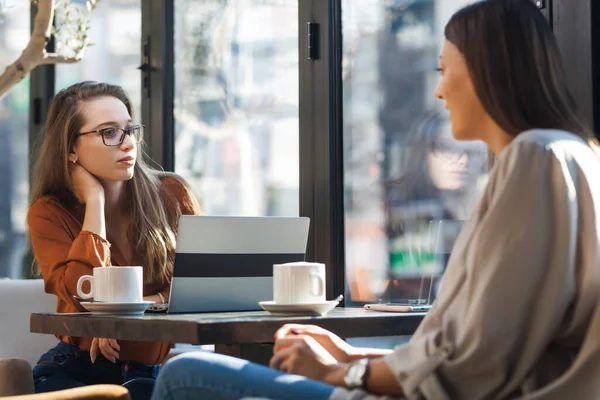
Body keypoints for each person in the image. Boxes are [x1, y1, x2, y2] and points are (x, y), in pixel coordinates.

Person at [151, 0, 600, 399]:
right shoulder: (567, 156)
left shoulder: (536, 158)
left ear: (488, 67)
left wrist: (345, 373)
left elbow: (479, 361)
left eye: (444, 70)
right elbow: (473, 348)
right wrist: (350, 355)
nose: (439, 91)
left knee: (185, 372)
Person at [27, 81, 202, 399]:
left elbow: (201, 283)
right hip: (77, 371)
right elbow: (82, 294)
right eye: (110, 132)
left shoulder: (172, 194)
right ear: (71, 149)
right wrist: (94, 202)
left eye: (130, 130)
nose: (128, 144)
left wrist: (135, 313)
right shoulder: (49, 213)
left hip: (152, 375)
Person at [381, 111, 487, 302]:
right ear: (424, 152)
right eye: (447, 149)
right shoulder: (400, 207)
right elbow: (413, 285)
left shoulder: (484, 207)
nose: (462, 161)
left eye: (472, 152)